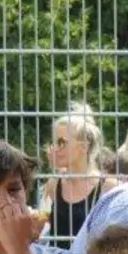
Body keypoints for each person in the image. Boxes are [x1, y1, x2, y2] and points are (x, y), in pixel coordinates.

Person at [39, 103, 118, 245]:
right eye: (54, 142)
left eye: (61, 142)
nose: (54, 148)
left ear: (84, 146)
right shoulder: (54, 184)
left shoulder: (108, 187)